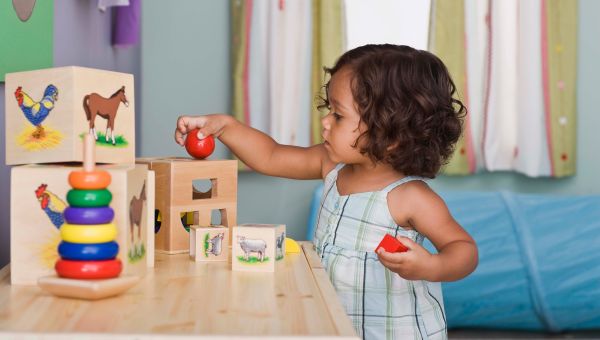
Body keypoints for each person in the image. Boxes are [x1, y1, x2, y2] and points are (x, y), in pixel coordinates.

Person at [174, 44, 478, 340]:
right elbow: (270, 155)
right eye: (328, 109)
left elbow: (463, 249)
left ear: (391, 132)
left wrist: (432, 265)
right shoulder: (331, 165)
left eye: (339, 115)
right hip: (333, 326)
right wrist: (225, 127)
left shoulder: (410, 197)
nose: (325, 122)